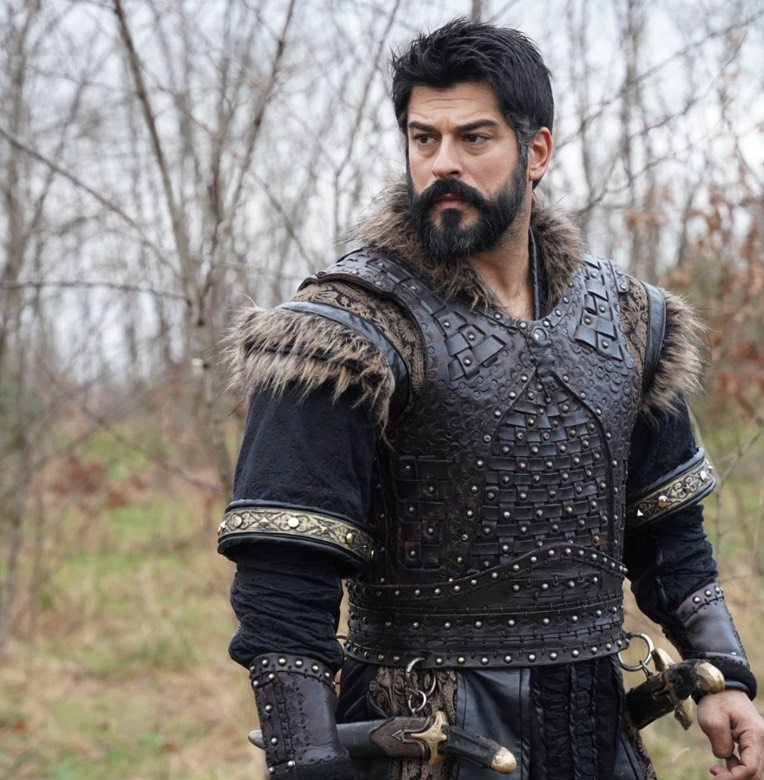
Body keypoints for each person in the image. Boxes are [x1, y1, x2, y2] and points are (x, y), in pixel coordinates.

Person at [217, 19, 764, 780]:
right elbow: (283, 580)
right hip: (425, 738)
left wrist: (722, 674)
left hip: (595, 731)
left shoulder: (628, 321)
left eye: (474, 138)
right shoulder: (345, 335)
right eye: (424, 138)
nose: (443, 162)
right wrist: (306, 762)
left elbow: (667, 528)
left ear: (536, 152)